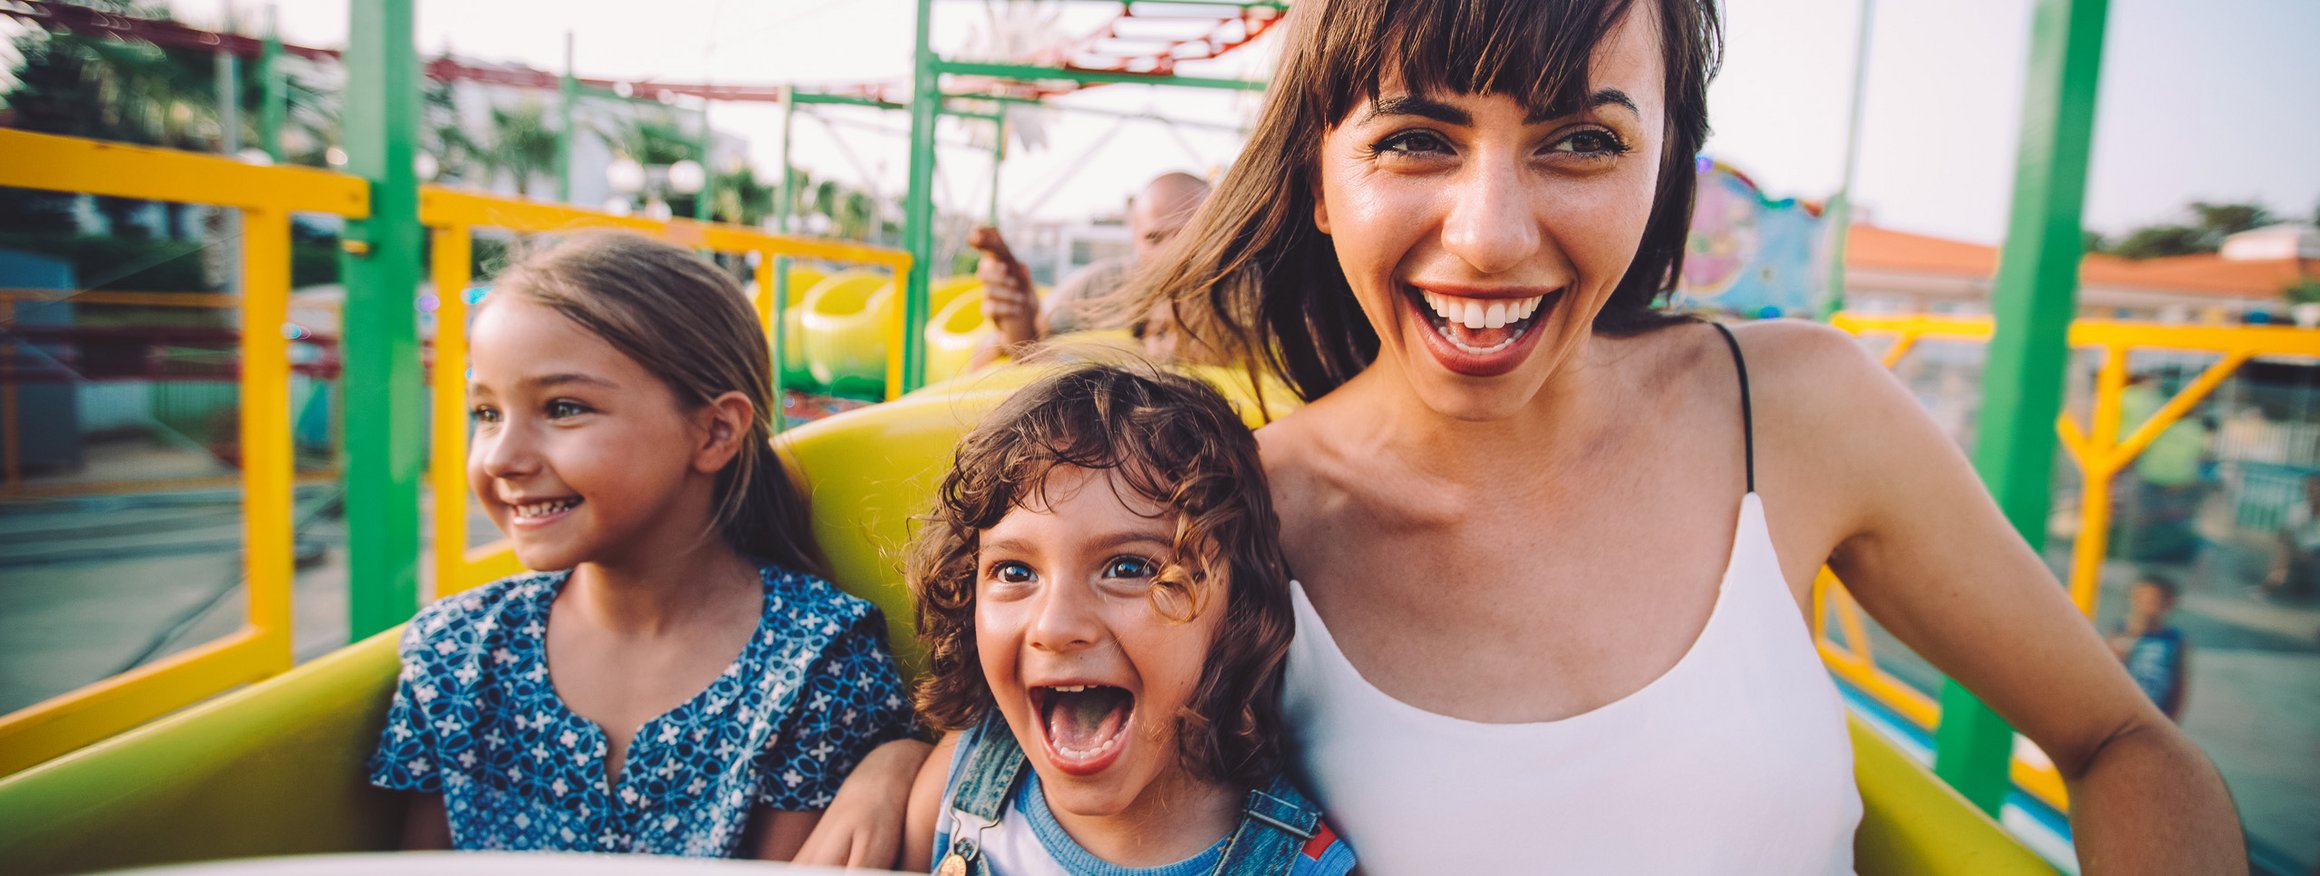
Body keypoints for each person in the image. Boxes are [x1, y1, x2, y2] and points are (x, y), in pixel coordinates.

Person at [808, 0, 2245, 870]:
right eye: (1417, 140)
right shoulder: (1228, 525)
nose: (1491, 235)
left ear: (1662, 164)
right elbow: (1059, 756)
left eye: (1580, 142)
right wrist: (892, 767)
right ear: (1317, 181)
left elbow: (2124, 744)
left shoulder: (1795, 412)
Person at [368, 231, 915, 859]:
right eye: (486, 413)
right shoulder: (457, 654)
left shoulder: (818, 664)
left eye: (563, 408)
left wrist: (898, 762)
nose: (502, 458)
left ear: (714, 431)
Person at [897, 364, 1353, 876]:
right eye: (1014, 570)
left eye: (1129, 568)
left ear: (1238, 606)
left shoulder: (1298, 867)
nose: (1054, 626)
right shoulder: (962, 778)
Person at [968, 173, 1212, 368]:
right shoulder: (1102, 285)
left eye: (1187, 235)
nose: (1172, 252)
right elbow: (1016, 346)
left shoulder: (1242, 295)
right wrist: (1019, 320)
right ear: (1134, 238)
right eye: (1154, 238)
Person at [2108, 576, 2190, 720]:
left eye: (2153, 600)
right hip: (2119, 712)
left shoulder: (2174, 640)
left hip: (2155, 714)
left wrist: (2171, 720)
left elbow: (2179, 684)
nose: (2146, 605)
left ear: (2168, 603)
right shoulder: (2118, 632)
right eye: (2141, 598)